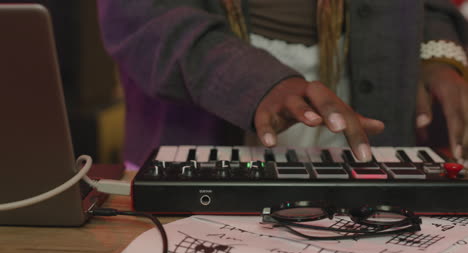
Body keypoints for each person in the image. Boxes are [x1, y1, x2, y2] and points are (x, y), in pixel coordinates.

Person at [97, 0, 468, 169]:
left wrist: (435, 53)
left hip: (361, 125)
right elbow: (139, 14)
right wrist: (254, 82)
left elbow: (428, 6)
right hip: (198, 124)